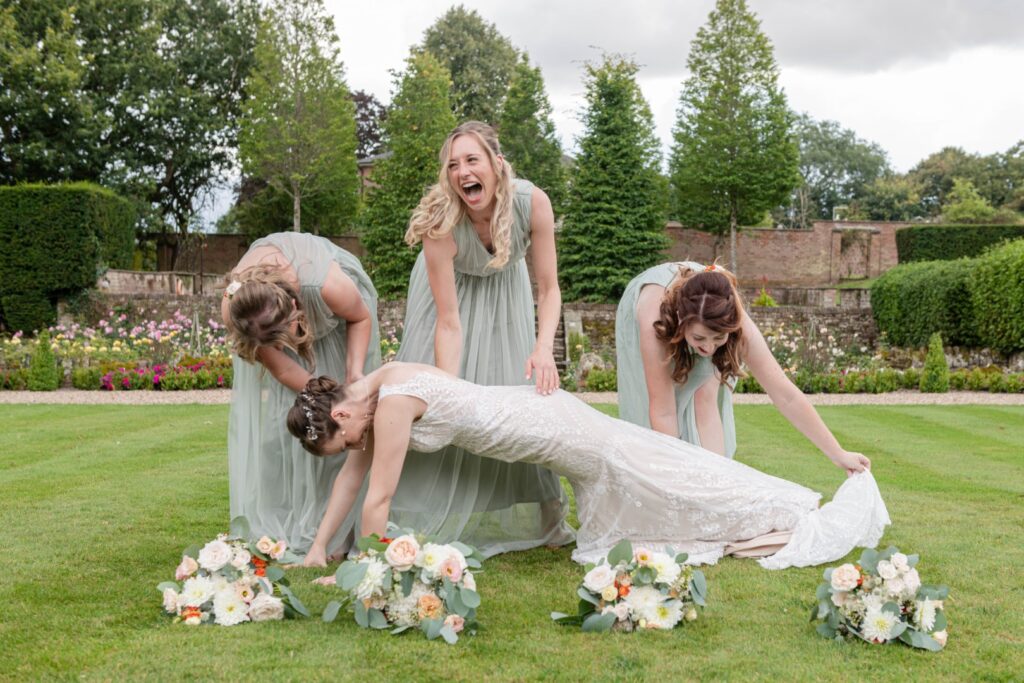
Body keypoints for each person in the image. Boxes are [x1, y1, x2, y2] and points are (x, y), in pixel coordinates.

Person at [287, 363, 888, 569]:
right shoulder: (375, 387)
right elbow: (351, 476)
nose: (352, 449)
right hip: (541, 415)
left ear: (341, 414)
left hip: (548, 428)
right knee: (643, 470)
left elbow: (377, 497)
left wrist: (370, 568)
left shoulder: (388, 407)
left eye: (343, 441)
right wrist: (320, 547)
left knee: (646, 476)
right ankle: (763, 508)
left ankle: (776, 511)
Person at [388, 121, 572, 554]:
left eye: (472, 160)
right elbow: (449, 322)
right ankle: (399, 510)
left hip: (506, 292)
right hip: (449, 296)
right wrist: (446, 392)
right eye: (453, 165)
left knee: (518, 394)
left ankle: (548, 518)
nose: (462, 172)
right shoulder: (441, 223)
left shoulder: (533, 203)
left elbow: (548, 288)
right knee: (438, 396)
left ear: (497, 163)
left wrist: (543, 348)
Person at [616, 262, 870, 471]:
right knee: (657, 410)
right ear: (682, 322)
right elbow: (663, 413)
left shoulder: (734, 319)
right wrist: (673, 474)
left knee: (706, 391)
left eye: (718, 338)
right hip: (652, 301)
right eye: (699, 339)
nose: (708, 348)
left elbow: (785, 394)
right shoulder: (655, 322)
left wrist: (838, 453)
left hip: (707, 293)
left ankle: (717, 475)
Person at [222, 231, 381, 557]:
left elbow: (360, 317)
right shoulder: (238, 308)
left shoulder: (324, 286)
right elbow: (283, 370)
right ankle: (304, 521)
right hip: (270, 317)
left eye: (287, 337)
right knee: (300, 428)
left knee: (345, 430)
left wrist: (351, 380)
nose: (284, 348)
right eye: (275, 345)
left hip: (345, 322)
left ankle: (343, 530)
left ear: (295, 307)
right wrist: (324, 398)